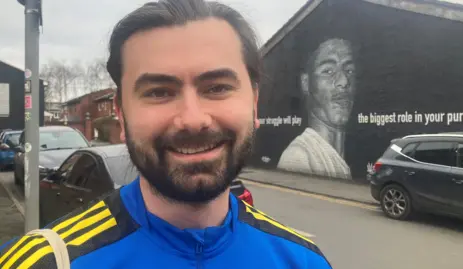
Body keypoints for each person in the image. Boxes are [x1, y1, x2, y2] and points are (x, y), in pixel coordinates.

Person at [0, 1, 332, 268]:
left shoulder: (304, 260)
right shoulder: (45, 262)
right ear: (121, 111)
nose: (192, 120)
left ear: (254, 104)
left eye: (217, 87)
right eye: (159, 92)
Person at [277, 38, 355, 180]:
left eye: (349, 70)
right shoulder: (299, 157)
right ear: (306, 83)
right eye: (328, 71)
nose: (343, 81)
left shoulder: (343, 157)